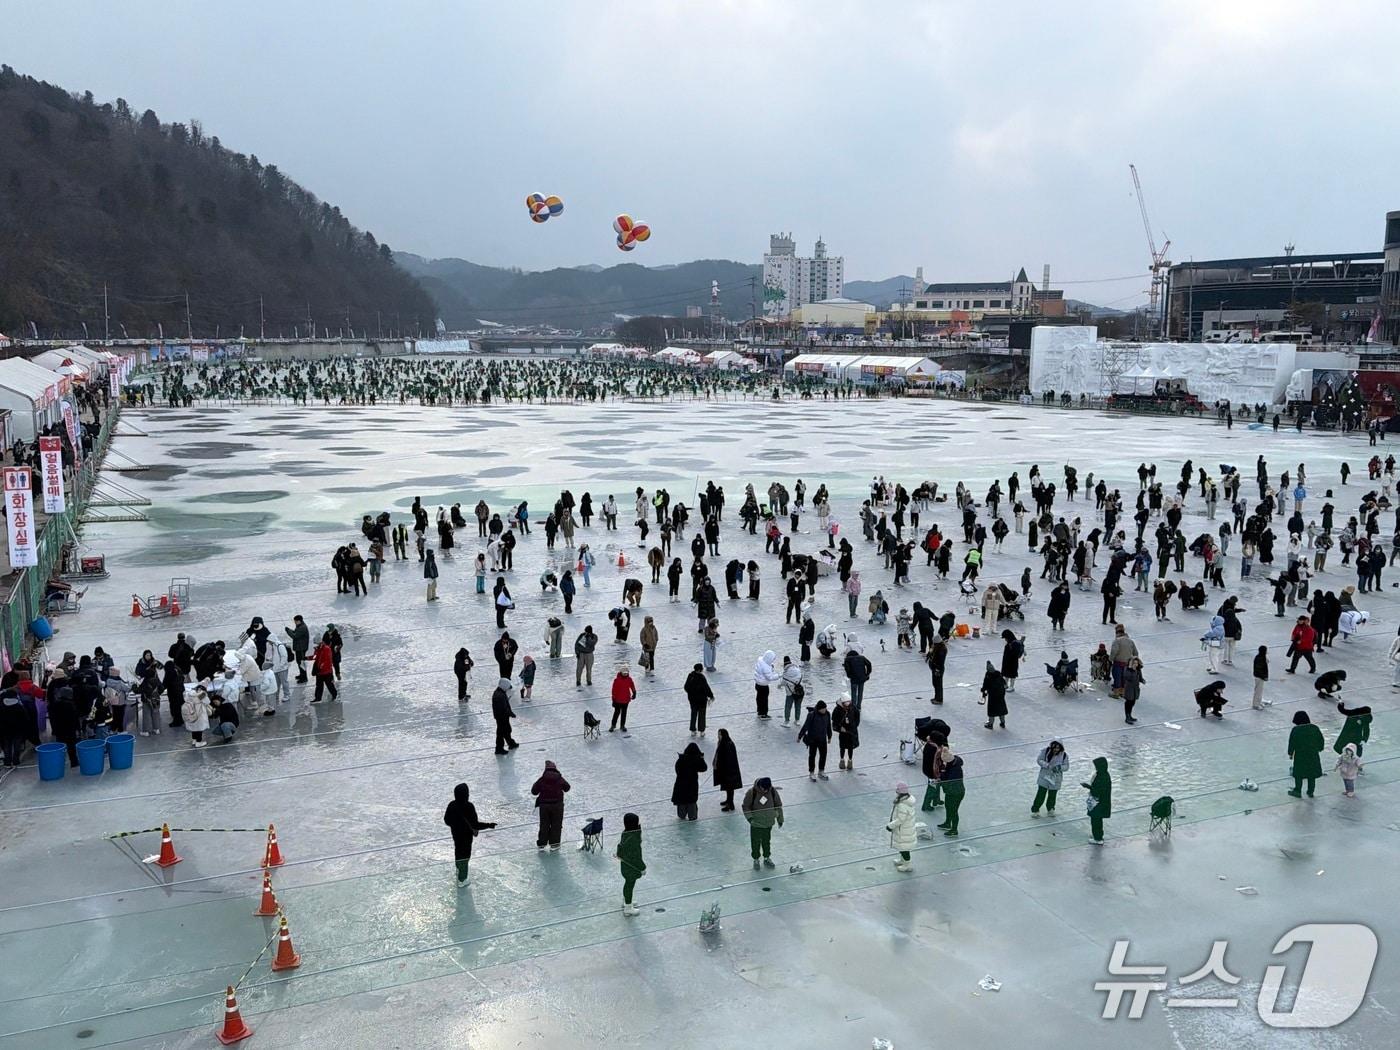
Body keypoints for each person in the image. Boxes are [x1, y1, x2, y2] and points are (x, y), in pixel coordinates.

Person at [443, 783, 496, 885]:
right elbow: (475, 825)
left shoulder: (452, 805)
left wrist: (455, 825)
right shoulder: (469, 806)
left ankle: (459, 869)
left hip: (456, 834)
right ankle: (462, 879)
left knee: (458, 851)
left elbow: (446, 820)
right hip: (466, 836)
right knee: (465, 855)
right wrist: (489, 825)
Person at [742, 776, 784, 870]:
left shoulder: (772, 791)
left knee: (766, 841)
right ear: (760, 785)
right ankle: (756, 859)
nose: (765, 791)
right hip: (756, 824)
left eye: (767, 789)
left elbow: (778, 805)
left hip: (768, 823)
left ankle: (767, 857)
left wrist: (780, 819)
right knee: (755, 842)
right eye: (763, 789)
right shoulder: (752, 792)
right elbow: (746, 807)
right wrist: (750, 819)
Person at [530, 760, 570, 850]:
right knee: (556, 824)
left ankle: (541, 844)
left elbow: (534, 792)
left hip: (544, 806)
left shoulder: (542, 779)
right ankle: (555, 844)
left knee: (544, 824)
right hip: (557, 805)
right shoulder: (559, 779)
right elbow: (567, 788)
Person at [1286, 710, 1325, 798]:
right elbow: (1321, 740)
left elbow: (1292, 742)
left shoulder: (1296, 730)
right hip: (1313, 754)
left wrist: (1290, 753)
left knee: (1299, 773)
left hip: (1300, 755)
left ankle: (1297, 790)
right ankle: (1310, 791)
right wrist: (1320, 748)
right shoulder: (1314, 728)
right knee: (1311, 774)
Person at [617, 812, 646, 917]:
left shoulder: (625, 833)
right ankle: (628, 907)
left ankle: (627, 901)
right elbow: (637, 857)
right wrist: (642, 868)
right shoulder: (633, 839)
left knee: (628, 884)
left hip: (625, 866)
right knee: (630, 885)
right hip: (631, 868)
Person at [671, 741, 708, 820]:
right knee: (692, 810)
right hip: (691, 786)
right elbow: (704, 768)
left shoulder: (680, 760)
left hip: (680, 786)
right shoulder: (695, 761)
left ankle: (683, 813)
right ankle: (691, 813)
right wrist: (701, 758)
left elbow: (677, 771)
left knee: (681, 811)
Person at [797, 699, 832, 781]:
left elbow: (828, 726)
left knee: (823, 755)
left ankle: (821, 771)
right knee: (812, 756)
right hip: (813, 739)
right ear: (819, 709)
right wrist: (800, 736)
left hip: (823, 739)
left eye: (825, 708)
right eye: (823, 709)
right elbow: (806, 726)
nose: (824, 710)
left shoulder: (827, 714)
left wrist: (829, 736)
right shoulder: (812, 715)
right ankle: (811, 772)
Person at [886, 783, 918, 872]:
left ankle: (907, 865)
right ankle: (903, 861)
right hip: (905, 829)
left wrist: (890, 826)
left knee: (904, 849)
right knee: (903, 847)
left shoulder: (902, 805)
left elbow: (900, 820)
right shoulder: (907, 801)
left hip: (903, 831)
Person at [936, 746, 965, 837]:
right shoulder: (952, 763)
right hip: (951, 791)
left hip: (956, 792)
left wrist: (941, 778)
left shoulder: (954, 770)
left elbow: (948, 782)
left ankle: (954, 830)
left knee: (953, 810)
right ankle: (948, 823)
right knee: (948, 807)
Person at [1032, 740, 1068, 815]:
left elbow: (1066, 766)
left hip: (1055, 779)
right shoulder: (1045, 751)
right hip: (1044, 777)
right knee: (1041, 794)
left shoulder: (1064, 755)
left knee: (1052, 795)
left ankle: (1050, 808)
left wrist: (1059, 767)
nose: (1056, 749)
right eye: (1054, 747)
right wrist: (1046, 765)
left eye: (1058, 748)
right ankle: (1035, 810)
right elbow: (1039, 760)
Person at [1083, 756, 1112, 844]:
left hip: (1098, 803)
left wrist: (1088, 787)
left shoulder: (1101, 776)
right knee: (1098, 820)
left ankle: (1097, 838)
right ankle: (1098, 835)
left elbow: (1098, 791)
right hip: (1102, 802)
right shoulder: (1104, 774)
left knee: (1095, 819)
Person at [832, 693, 860, 770]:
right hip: (843, 733)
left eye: (849, 702)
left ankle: (850, 761)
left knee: (851, 747)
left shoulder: (853, 707)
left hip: (851, 731)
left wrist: (854, 725)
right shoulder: (837, 710)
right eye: (846, 703)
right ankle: (842, 760)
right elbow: (834, 721)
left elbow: (857, 717)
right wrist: (839, 728)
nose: (848, 704)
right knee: (842, 747)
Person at [491, 677, 518, 754]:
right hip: (501, 716)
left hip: (501, 716)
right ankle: (499, 748)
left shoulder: (500, 693)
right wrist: (511, 713)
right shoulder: (500, 695)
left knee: (505, 730)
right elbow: (504, 708)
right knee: (502, 732)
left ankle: (511, 743)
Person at [684, 663, 713, 733]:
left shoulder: (690, 676)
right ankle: (701, 730)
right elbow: (706, 688)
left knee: (693, 714)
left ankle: (692, 729)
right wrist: (711, 695)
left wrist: (691, 694)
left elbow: (686, 687)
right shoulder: (702, 678)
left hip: (692, 700)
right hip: (702, 701)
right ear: (700, 670)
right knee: (702, 715)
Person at [843, 644, 872, 710]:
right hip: (862, 678)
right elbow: (869, 664)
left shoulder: (847, 659)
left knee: (854, 693)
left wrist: (849, 675)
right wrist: (867, 674)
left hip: (854, 679)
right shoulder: (862, 657)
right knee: (860, 693)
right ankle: (859, 707)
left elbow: (847, 669)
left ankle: (853, 707)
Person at [752, 649, 780, 719]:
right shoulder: (766, 667)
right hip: (763, 685)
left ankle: (759, 711)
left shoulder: (760, 660)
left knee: (759, 698)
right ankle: (763, 714)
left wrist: (771, 667)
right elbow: (770, 677)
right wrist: (778, 675)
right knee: (764, 699)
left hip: (757, 683)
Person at [981, 661, 1008, 730]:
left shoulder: (988, 675)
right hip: (1000, 696)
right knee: (1001, 710)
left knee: (992, 712)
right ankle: (1002, 723)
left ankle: (990, 724)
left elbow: (985, 685)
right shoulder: (998, 673)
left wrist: (983, 691)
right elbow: (1004, 682)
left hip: (993, 696)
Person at [609, 666, 636, 733]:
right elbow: (614, 690)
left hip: (626, 700)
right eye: (624, 673)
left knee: (624, 713)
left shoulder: (629, 679)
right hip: (618, 700)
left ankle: (622, 725)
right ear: (621, 672)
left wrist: (634, 692)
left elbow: (632, 686)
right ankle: (613, 725)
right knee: (616, 713)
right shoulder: (617, 680)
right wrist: (613, 699)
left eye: (626, 673)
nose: (625, 674)